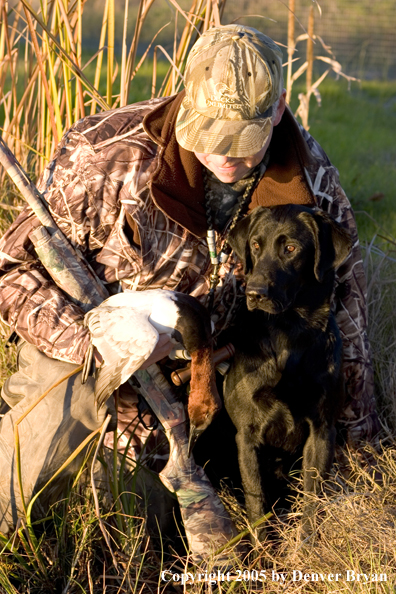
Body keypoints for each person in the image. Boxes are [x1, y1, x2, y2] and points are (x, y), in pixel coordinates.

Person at [0, 24, 378, 533]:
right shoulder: (110, 156)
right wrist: (99, 345)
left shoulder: (310, 182)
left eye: (242, 138)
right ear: (185, 98)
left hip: (204, 396)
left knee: (149, 534)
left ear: (280, 107)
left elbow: (344, 315)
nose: (223, 153)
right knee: (30, 469)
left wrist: (365, 455)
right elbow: (10, 271)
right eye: (207, 132)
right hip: (87, 364)